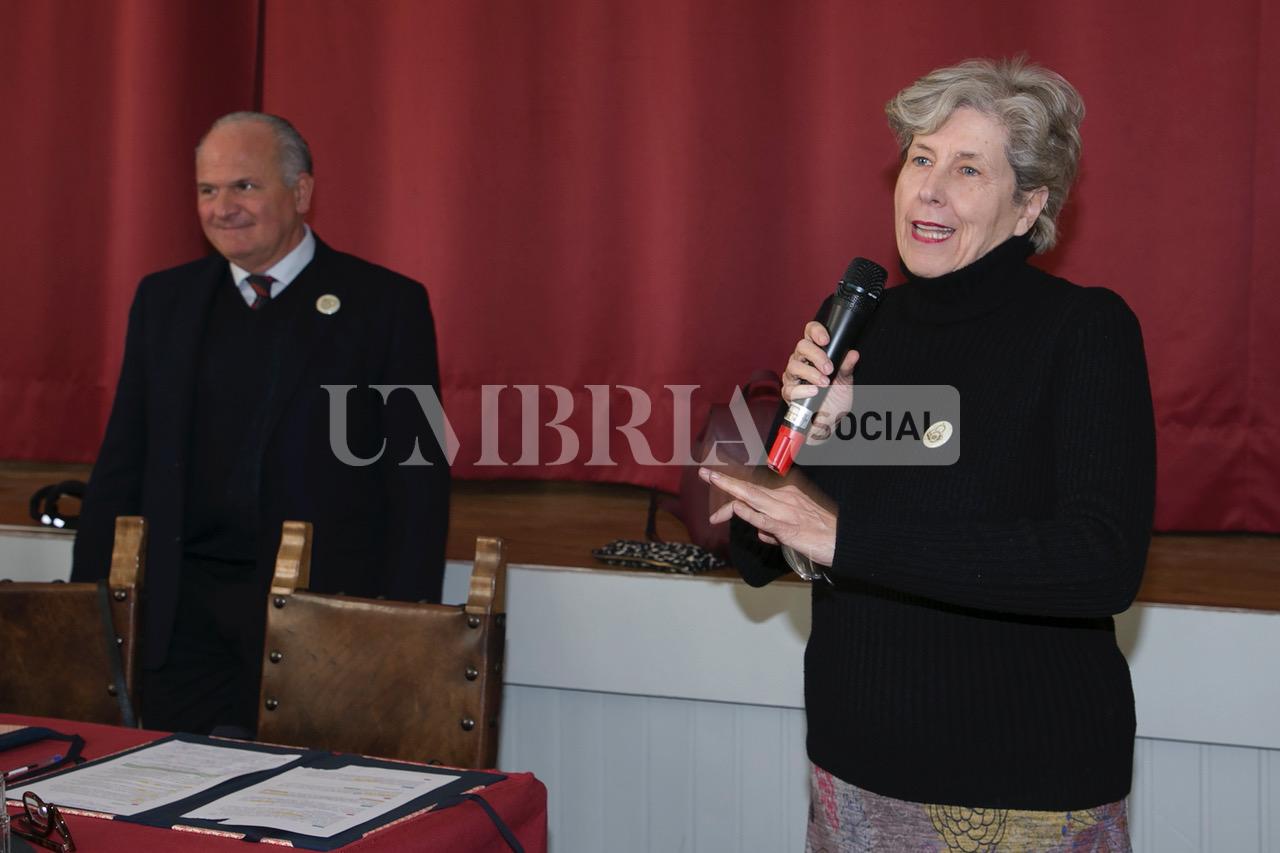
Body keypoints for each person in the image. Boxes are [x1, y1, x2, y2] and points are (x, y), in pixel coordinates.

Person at [702, 58, 1154, 850]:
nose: (930, 190)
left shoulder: (1083, 331)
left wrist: (843, 535)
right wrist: (812, 438)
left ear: (1028, 208)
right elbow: (757, 553)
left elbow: (1099, 561)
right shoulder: (863, 326)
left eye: (968, 168)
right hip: (853, 777)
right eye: (920, 159)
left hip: (1022, 791)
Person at [72, 112, 450, 737]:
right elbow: (122, 464)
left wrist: (402, 628)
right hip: (178, 624)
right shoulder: (164, 301)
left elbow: (417, 481)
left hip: (321, 625)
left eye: (244, 186)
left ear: (300, 192)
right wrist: (88, 613)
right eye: (207, 190)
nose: (224, 208)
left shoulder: (386, 306)